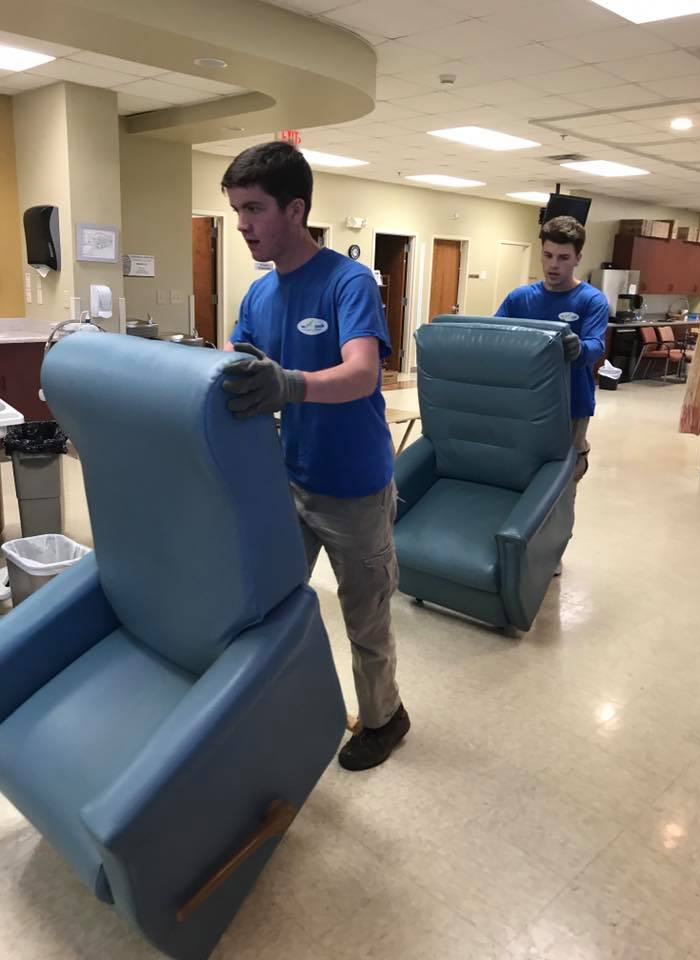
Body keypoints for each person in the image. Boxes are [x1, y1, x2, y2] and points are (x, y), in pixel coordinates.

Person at [219, 140, 409, 771]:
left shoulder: (348, 281)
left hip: (353, 487)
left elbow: (361, 374)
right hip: (288, 483)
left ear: (295, 209)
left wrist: (289, 383)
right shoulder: (259, 294)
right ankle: (284, 709)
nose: (242, 225)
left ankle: (384, 718)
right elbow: (237, 357)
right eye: (236, 210)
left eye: (253, 209)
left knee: (365, 623)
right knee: (270, 606)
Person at [496, 215, 609, 563]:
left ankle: (552, 553)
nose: (553, 265)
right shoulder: (520, 298)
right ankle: (517, 546)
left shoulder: (591, 301)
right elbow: (495, 335)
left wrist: (579, 349)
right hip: (526, 404)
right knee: (523, 474)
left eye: (562, 258)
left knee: (562, 484)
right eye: (547, 256)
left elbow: (596, 345)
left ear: (577, 258)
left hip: (571, 406)